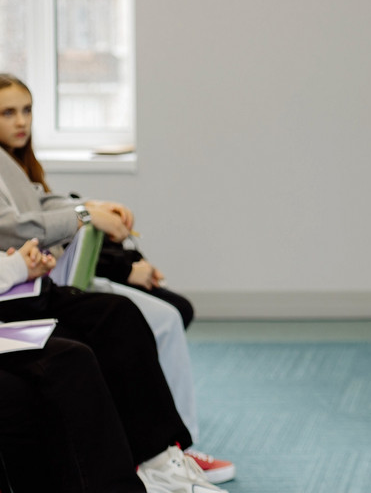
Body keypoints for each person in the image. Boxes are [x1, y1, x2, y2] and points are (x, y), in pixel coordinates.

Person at [0, 73, 235, 485]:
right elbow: (12, 228)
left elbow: (39, 203)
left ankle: (164, 456)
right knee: (95, 343)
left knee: (121, 314)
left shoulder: (12, 163)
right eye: (8, 112)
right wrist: (84, 216)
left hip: (30, 284)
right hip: (19, 294)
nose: (20, 121)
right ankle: (155, 461)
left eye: (26, 110)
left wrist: (88, 206)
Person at [0, 238, 227, 492]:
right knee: (71, 359)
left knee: (118, 313)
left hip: (23, 287)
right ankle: (144, 470)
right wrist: (17, 265)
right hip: (14, 296)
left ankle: (160, 459)